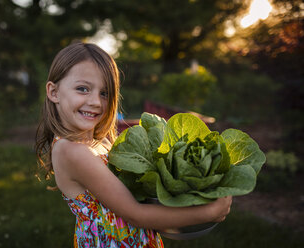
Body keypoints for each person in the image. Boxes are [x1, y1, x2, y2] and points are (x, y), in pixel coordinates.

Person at [35, 42, 232, 247]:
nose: (96, 101)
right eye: (83, 89)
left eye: (104, 93)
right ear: (54, 92)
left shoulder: (99, 143)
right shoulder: (72, 151)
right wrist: (209, 212)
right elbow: (136, 214)